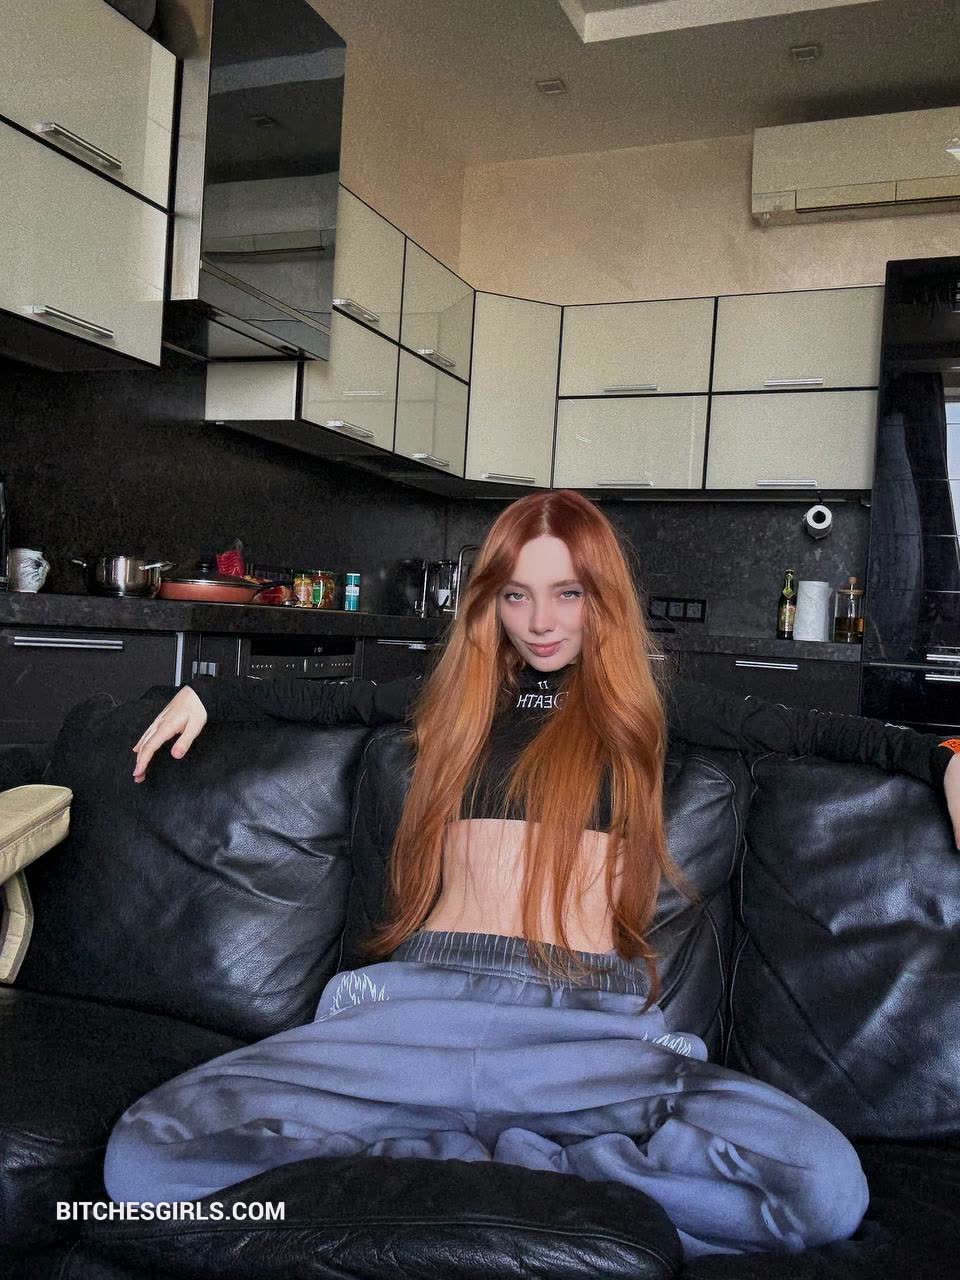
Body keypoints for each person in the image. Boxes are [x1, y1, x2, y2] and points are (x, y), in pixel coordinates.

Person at [105, 490, 960, 1258]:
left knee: (819, 1185)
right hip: (415, 1019)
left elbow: (813, 729)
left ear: (603, 598)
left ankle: (467, 1173)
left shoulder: (647, 712)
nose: (541, 621)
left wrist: (944, 757)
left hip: (584, 1032)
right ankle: (495, 1172)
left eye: (567, 594)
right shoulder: (454, 700)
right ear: (489, 602)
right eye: (516, 595)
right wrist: (210, 695)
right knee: (144, 1160)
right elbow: (326, 696)